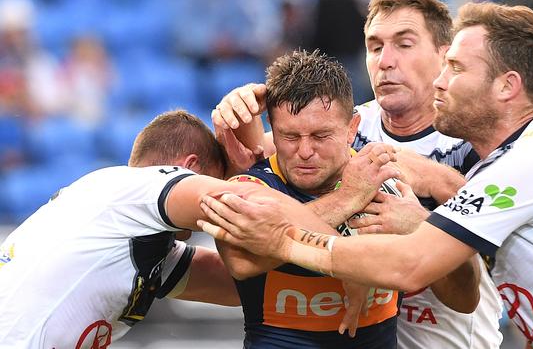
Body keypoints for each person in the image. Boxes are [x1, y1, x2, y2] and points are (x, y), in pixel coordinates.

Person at [200, 2, 533, 348]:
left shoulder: (529, 162)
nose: (440, 81)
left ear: (507, 86)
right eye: (375, 46)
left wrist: (284, 240)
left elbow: (412, 263)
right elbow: (282, 151)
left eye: (454, 68)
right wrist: (247, 105)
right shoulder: (510, 155)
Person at [211, 0, 502, 349]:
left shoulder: (483, 143)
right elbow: (263, 156)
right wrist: (239, 109)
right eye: (375, 46)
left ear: (446, 56)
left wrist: (429, 219)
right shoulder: (339, 124)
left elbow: (482, 266)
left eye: (404, 44)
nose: (386, 60)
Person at [0, 109, 328, 348]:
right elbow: (248, 204)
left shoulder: (130, 231)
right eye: (217, 179)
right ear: (187, 169)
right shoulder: (140, 189)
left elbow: (240, 286)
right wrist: (346, 203)